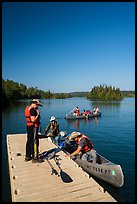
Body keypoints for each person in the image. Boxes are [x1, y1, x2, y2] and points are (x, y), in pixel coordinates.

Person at [25, 99, 43, 163]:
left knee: (29, 140)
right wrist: (38, 114)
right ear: (35, 103)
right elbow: (33, 120)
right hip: (33, 127)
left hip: (29, 127)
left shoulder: (28, 108)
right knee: (35, 141)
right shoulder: (32, 110)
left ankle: (28, 156)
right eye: (37, 105)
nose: (38, 107)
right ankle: (35, 158)